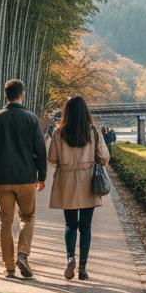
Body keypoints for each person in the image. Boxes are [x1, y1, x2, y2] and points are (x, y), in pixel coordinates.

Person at [0, 79, 47, 279]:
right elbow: (40, 150)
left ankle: (9, 267)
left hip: (2, 179)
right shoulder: (31, 118)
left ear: (5, 95)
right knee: (27, 217)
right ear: (23, 95)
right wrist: (41, 176)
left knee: (5, 222)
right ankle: (22, 255)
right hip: (26, 177)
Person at [47, 95, 111, 281]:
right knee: (86, 226)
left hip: (66, 181)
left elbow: (52, 159)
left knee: (70, 224)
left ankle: (70, 257)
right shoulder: (93, 131)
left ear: (66, 111)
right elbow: (104, 158)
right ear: (85, 111)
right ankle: (82, 267)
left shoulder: (59, 133)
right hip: (87, 181)